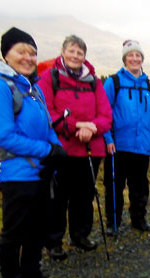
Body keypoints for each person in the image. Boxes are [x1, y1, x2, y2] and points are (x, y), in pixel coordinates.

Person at [0, 27, 63, 278]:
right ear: (6, 54)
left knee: (37, 228)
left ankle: (32, 275)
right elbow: (3, 135)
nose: (28, 57)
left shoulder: (34, 87)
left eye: (32, 52)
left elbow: (47, 125)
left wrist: (55, 147)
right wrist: (46, 150)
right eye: (21, 51)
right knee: (14, 233)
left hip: (40, 171)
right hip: (16, 174)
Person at [38, 35, 112, 255]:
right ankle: (54, 241)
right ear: (62, 51)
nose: (75, 56)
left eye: (80, 52)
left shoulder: (94, 81)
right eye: (71, 51)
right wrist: (76, 125)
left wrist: (92, 128)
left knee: (85, 195)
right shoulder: (49, 77)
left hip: (91, 150)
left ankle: (81, 235)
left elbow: (106, 116)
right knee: (58, 197)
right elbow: (46, 113)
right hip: (61, 150)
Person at [103, 40, 150, 234]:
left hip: (142, 146)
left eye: (138, 55)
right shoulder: (113, 82)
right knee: (114, 186)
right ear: (125, 58)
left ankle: (139, 219)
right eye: (131, 55)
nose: (135, 59)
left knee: (140, 187)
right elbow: (104, 113)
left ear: (142, 59)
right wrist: (108, 139)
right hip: (118, 145)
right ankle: (113, 223)